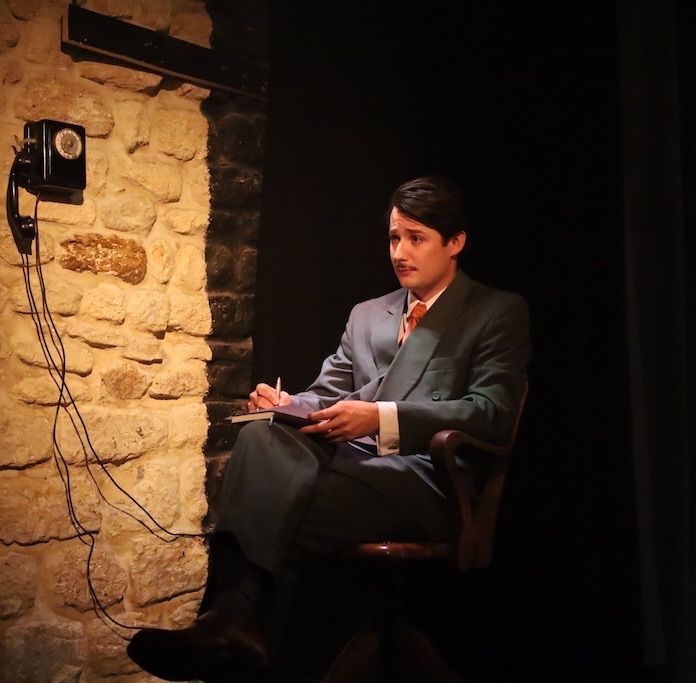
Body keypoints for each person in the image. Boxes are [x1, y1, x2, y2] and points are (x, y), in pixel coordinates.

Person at [126, 175, 531, 682]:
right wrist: (288, 405)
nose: (400, 252)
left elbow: (492, 412)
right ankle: (233, 628)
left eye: (417, 238)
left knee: (267, 504)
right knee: (260, 435)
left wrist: (383, 417)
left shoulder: (494, 311)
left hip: (426, 482)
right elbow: (327, 393)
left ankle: (234, 628)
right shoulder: (367, 315)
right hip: (347, 465)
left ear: (455, 242)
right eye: (394, 237)